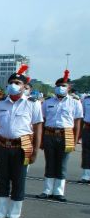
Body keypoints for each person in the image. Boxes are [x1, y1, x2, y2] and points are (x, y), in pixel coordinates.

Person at [0, 65, 43, 218]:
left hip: (22, 146)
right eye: (11, 82)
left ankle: (13, 216)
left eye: (18, 82)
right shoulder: (0, 104)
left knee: (19, 181)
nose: (14, 85)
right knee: (3, 180)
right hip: (3, 145)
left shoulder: (33, 104)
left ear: (25, 86)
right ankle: (0, 214)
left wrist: (35, 151)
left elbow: (38, 128)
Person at [36, 70, 83, 201]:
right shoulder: (48, 102)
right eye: (58, 85)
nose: (60, 88)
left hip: (66, 134)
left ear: (69, 87)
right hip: (49, 133)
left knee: (62, 164)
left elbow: (77, 123)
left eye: (63, 85)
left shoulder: (75, 102)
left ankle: (58, 192)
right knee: (49, 162)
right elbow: (43, 120)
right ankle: (47, 190)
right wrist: (41, 140)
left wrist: (75, 140)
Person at [82, 92, 90, 183]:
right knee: (86, 152)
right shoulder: (86, 100)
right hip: (88, 128)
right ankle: (86, 175)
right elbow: (82, 114)